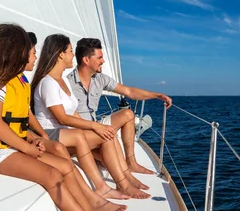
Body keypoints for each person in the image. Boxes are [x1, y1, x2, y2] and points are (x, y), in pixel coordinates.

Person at [0, 24, 128, 211]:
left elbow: (16, 121)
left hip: (7, 145)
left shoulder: (16, 81)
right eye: (30, 51)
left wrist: (33, 138)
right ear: (12, 51)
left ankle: (91, 209)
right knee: (52, 174)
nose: (35, 56)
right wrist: (27, 147)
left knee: (65, 165)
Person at [31, 33, 150, 199]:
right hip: (50, 134)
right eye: (70, 51)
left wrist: (97, 128)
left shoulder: (61, 81)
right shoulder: (48, 82)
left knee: (105, 133)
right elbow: (62, 118)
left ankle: (122, 181)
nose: (74, 55)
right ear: (60, 54)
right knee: (105, 135)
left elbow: (73, 112)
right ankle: (122, 183)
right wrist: (95, 126)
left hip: (65, 133)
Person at [66, 38, 172, 176]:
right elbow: (67, 117)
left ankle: (131, 162)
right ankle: (103, 160)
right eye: (100, 57)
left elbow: (129, 91)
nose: (103, 61)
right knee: (108, 160)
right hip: (79, 133)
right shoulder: (68, 84)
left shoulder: (100, 79)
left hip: (95, 127)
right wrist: (96, 130)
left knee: (128, 114)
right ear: (86, 60)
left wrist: (157, 95)